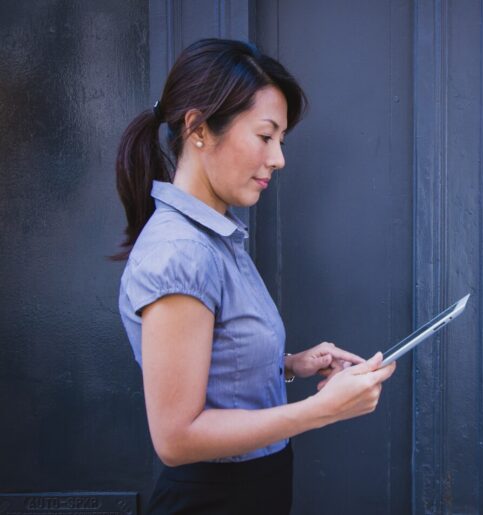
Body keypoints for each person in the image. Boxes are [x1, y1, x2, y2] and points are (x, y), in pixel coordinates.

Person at [113, 38, 396, 514]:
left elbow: (211, 361)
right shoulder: (182, 251)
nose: (279, 158)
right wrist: (321, 411)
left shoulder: (214, 237)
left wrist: (288, 363)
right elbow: (177, 438)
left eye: (280, 141)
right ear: (198, 128)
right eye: (266, 136)